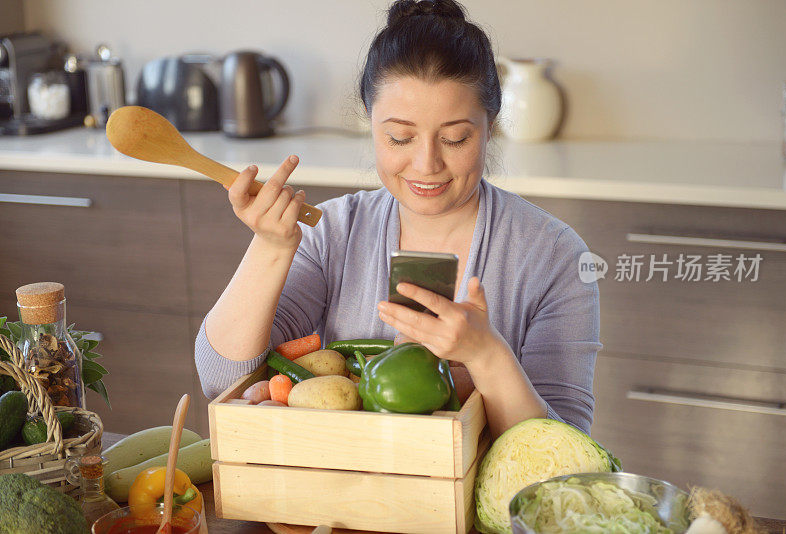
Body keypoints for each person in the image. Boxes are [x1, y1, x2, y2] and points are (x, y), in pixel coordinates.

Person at [195, 0, 601, 439]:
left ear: (491, 125)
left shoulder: (554, 256)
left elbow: (566, 451)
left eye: (455, 137)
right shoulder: (332, 232)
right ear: (370, 122)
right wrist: (271, 247)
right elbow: (221, 379)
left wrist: (487, 357)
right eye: (400, 137)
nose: (426, 164)